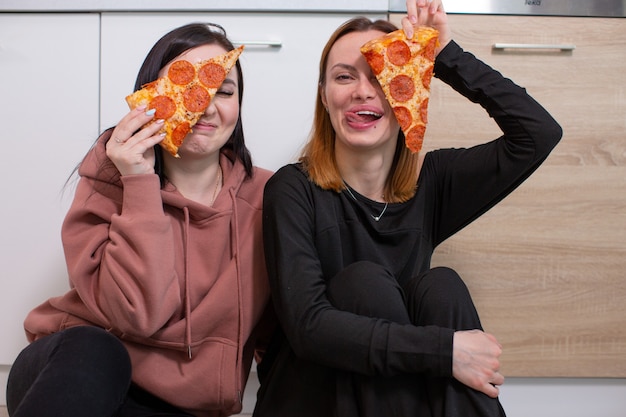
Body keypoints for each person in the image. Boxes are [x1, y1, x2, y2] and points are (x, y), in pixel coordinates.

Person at [253, 1, 562, 416]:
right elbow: (310, 328)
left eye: (382, 74)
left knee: (442, 286)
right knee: (363, 284)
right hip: (313, 392)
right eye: (344, 77)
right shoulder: (292, 189)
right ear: (325, 99)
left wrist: (443, 53)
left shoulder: (431, 183)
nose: (362, 90)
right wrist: (446, 351)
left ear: (408, 91)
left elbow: (538, 134)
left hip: (404, 396)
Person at [6, 22, 274, 417]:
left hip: (183, 404)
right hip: (74, 371)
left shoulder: (271, 197)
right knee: (97, 350)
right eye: (185, 86)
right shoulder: (112, 178)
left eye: (224, 90)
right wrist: (138, 182)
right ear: (150, 98)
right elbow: (139, 314)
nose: (206, 103)